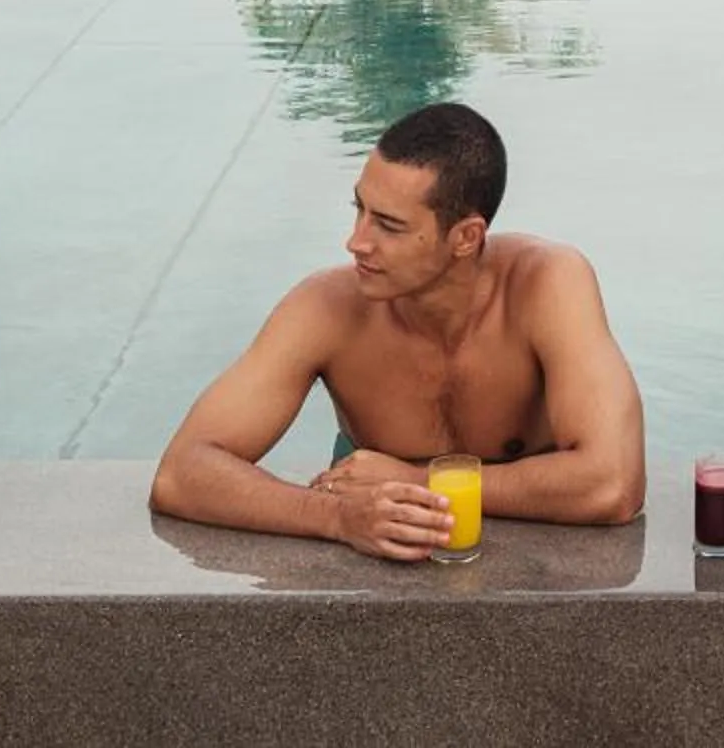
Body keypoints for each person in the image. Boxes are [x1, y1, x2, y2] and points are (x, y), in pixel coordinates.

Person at [151, 101, 645, 560]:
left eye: (388, 225)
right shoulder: (325, 308)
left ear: (466, 237)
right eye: (359, 209)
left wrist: (418, 480)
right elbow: (181, 473)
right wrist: (339, 517)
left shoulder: (547, 284)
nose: (356, 242)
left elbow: (612, 485)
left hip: (535, 574)